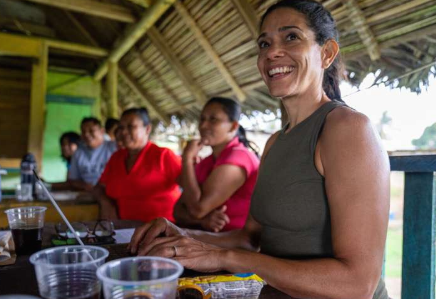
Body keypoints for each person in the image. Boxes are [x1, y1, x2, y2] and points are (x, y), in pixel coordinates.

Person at [129, 1, 390, 298]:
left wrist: (224, 258)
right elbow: (248, 238)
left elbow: (358, 285)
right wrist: (182, 235)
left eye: (291, 37)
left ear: (326, 53)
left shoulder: (346, 129)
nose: (271, 52)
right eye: (264, 43)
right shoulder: (275, 143)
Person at [174, 97, 260, 232]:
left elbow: (197, 210)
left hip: (233, 244)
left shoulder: (239, 157)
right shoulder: (207, 162)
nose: (203, 126)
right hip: (204, 238)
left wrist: (187, 160)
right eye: (202, 119)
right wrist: (202, 221)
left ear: (233, 126)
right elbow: (177, 211)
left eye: (213, 119)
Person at [94, 107, 182, 222]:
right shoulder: (116, 158)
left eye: (130, 126)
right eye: (121, 127)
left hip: (161, 231)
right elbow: (99, 187)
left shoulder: (164, 156)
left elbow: (189, 189)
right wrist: (105, 203)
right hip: (124, 230)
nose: (124, 132)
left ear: (147, 129)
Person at [68, 117, 117, 191]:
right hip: (87, 193)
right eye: (83, 131)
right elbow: (72, 180)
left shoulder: (114, 148)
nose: (86, 134)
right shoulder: (78, 153)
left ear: (102, 131)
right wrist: (84, 185)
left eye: (91, 131)